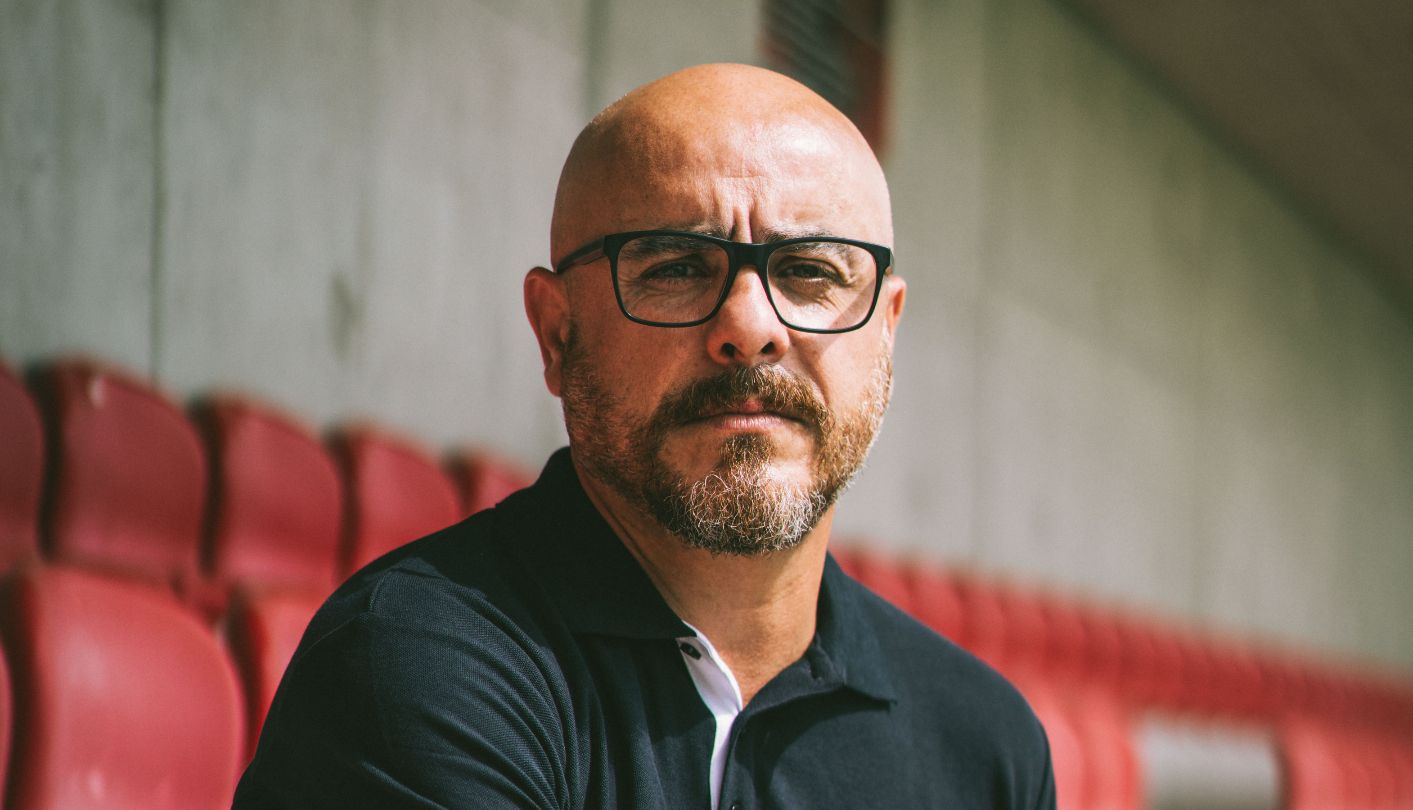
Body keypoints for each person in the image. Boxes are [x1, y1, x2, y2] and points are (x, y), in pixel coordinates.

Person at [234, 63, 1054, 809]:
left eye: (810, 271)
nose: (751, 328)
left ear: (886, 332)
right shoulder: (413, 666)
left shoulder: (986, 748)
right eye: (675, 268)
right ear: (557, 335)